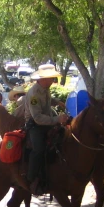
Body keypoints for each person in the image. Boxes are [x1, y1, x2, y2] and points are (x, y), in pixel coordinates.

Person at [24, 64, 69, 195]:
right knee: (38, 149)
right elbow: (37, 117)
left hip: (47, 122)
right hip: (35, 125)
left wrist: (57, 102)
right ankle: (31, 179)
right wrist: (57, 119)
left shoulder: (45, 88)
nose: (52, 81)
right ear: (42, 79)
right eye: (50, 78)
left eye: (52, 78)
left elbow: (47, 100)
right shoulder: (33, 94)